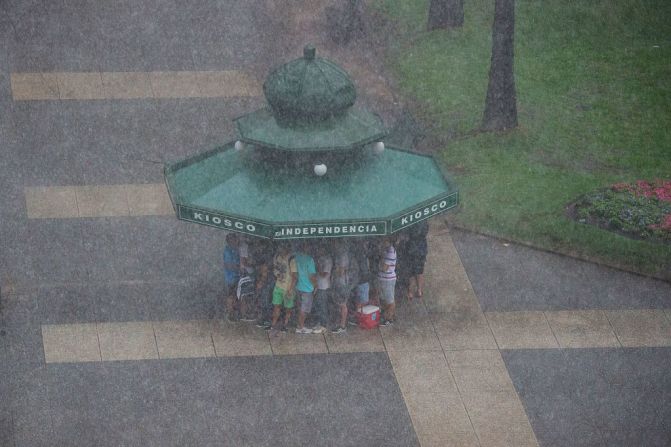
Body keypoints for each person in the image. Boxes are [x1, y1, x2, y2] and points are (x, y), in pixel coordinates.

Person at [293, 242, 318, 334]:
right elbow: (311, 276)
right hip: (307, 288)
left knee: (300, 308)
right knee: (304, 309)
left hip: (299, 286)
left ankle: (299, 324)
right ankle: (301, 327)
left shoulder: (297, 257)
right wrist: (316, 285)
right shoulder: (310, 260)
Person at [270, 243, 295, 334]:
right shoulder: (277, 257)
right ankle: (273, 324)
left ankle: (285, 324)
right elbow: (275, 269)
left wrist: (290, 289)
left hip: (288, 287)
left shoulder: (291, 259)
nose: (280, 251)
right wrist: (277, 274)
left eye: (282, 249)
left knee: (288, 308)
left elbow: (294, 276)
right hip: (278, 286)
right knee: (276, 305)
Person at [254, 240, 276, 330]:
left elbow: (264, 271)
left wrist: (261, 282)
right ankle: (266, 319)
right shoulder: (270, 256)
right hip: (270, 282)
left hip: (267, 283)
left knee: (265, 301)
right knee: (267, 301)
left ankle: (265, 320)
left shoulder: (265, 257)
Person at [331, 240, 350, 333]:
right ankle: (340, 324)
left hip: (342, 284)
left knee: (343, 304)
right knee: (339, 304)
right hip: (339, 283)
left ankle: (342, 326)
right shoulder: (339, 254)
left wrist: (335, 270)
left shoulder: (342, 255)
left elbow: (341, 271)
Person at [312, 242, 332, 333]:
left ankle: (323, 325)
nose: (318, 251)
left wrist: (318, 267)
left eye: (320, 249)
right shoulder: (321, 258)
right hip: (318, 286)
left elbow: (324, 274)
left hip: (324, 286)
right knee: (319, 305)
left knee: (323, 306)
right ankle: (319, 322)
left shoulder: (327, 260)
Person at [406, 221, 429, 300]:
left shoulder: (411, 221)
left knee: (410, 272)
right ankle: (419, 290)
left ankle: (410, 291)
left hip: (411, 249)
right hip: (421, 249)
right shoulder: (424, 221)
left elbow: (408, 234)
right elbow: (425, 231)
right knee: (419, 271)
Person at [377, 237, 397, 325]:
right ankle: (386, 316)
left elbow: (384, 268)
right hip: (383, 279)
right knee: (384, 299)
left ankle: (389, 318)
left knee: (390, 300)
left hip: (388, 279)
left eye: (384, 240)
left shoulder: (391, 252)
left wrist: (380, 264)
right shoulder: (385, 250)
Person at [223, 233, 241, 321]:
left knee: (235, 295)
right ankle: (230, 313)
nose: (236, 241)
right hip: (231, 277)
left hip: (236, 277)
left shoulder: (235, 249)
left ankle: (234, 312)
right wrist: (239, 267)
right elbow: (228, 265)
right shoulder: (228, 251)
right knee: (231, 295)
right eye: (234, 239)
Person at [351, 239, 371, 316]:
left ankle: (359, 316)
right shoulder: (362, 256)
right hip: (362, 280)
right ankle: (359, 317)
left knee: (360, 301)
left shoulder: (360, 256)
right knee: (362, 301)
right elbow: (363, 270)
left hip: (360, 280)